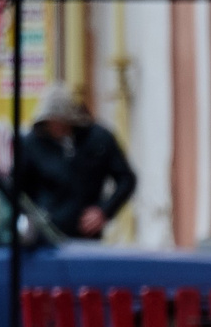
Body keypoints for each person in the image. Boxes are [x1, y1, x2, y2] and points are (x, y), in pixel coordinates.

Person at [12, 83, 135, 239]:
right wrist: (30, 222)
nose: (55, 126)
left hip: (86, 238)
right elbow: (16, 189)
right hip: (44, 239)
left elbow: (126, 179)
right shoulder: (31, 144)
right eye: (50, 121)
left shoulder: (98, 140)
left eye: (60, 121)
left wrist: (104, 211)